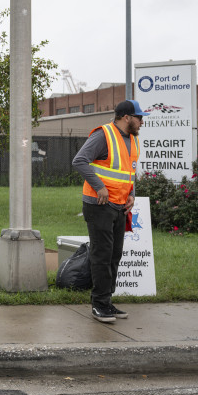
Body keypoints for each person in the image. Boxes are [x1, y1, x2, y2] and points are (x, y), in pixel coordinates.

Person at [72, 99, 148, 323]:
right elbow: (79, 161)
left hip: (120, 205)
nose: (142, 122)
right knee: (102, 255)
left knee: (114, 255)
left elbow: (129, 172)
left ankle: (106, 301)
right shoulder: (103, 135)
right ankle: (99, 304)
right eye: (139, 117)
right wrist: (99, 187)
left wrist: (132, 193)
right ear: (126, 117)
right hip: (99, 205)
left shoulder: (132, 140)